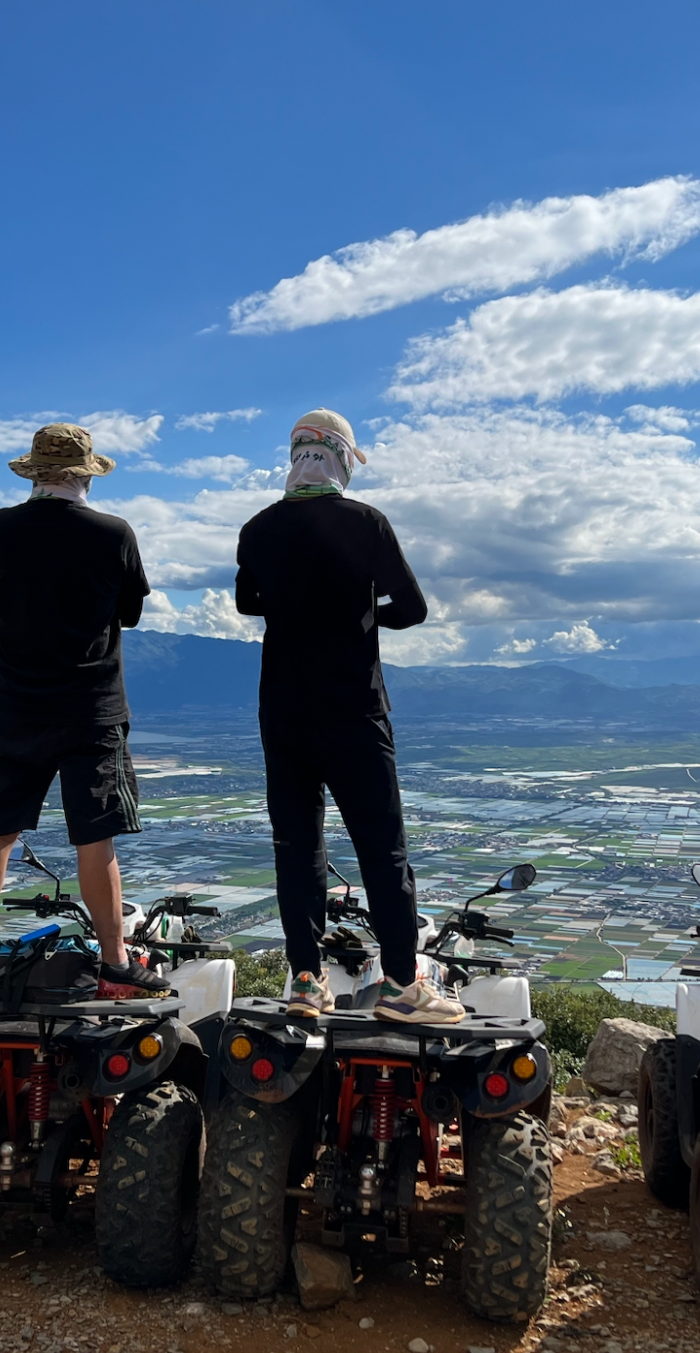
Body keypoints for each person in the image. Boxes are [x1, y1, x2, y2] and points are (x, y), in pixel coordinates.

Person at [236, 409, 462, 1024]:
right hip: (355, 709)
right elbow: (411, 608)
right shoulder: (366, 523)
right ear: (341, 456)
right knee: (381, 848)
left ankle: (306, 981)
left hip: (282, 709)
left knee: (297, 846)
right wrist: (361, 611)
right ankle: (400, 985)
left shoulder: (258, 528)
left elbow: (244, 599)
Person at [0, 423, 169, 999]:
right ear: (86, 475)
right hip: (89, 706)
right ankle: (115, 961)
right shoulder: (113, 534)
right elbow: (129, 613)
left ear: (33, 471)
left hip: (13, 704)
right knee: (94, 841)